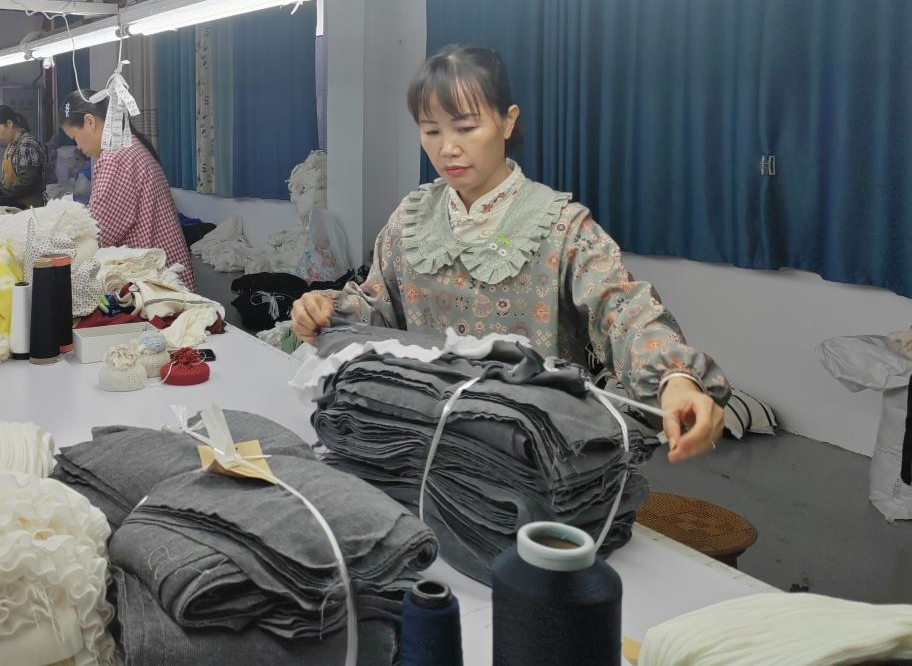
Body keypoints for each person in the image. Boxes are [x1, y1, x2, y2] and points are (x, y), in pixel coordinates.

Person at [291, 46, 730, 464]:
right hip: (424, 439)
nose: (447, 148)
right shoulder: (411, 219)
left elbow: (624, 310)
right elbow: (378, 305)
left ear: (507, 121)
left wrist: (675, 378)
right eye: (431, 130)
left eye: (466, 127)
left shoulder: (560, 226)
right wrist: (327, 310)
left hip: (535, 448)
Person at [63, 93, 194, 290]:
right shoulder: (129, 144)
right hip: (167, 272)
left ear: (90, 122)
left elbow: (99, 233)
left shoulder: (115, 156)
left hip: (155, 281)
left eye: (75, 138)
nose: (78, 146)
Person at [0, 105, 46, 208]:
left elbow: (27, 182)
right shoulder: (11, 145)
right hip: (16, 205)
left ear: (9, 124)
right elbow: (10, 179)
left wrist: (0, 190)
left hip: (29, 208)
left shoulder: (27, 144)